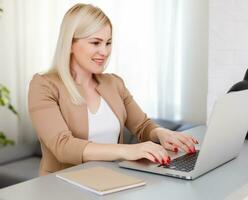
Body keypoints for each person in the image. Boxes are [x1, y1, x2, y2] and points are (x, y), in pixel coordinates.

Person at [28, 3, 198, 176]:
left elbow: (142, 126)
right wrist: (126, 150)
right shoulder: (44, 85)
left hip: (111, 182)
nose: (104, 51)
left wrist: (162, 133)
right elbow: (62, 146)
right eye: (95, 42)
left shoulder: (114, 83)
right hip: (62, 187)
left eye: (108, 43)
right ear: (70, 43)